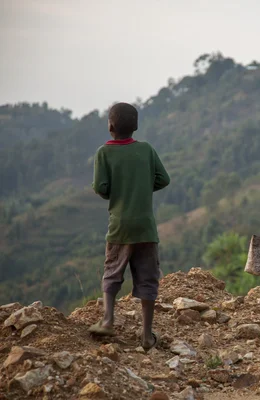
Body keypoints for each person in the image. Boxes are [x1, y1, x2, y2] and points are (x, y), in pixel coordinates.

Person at [89, 102, 170, 351]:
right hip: (146, 228)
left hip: (119, 227)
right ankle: (146, 336)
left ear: (111, 126)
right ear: (136, 126)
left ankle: (108, 319)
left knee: (112, 271)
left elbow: (100, 188)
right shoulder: (146, 150)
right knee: (148, 279)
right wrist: (142, 188)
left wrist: (119, 191)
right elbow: (163, 179)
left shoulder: (104, 153)